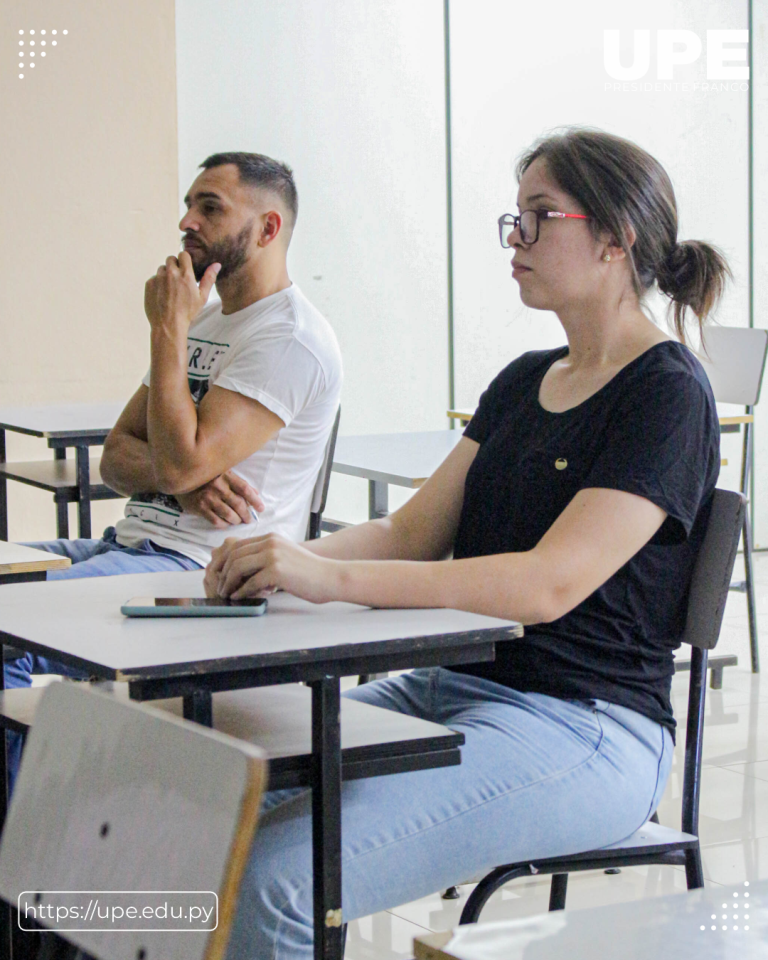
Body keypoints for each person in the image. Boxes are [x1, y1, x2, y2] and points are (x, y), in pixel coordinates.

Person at [205, 128, 726, 960]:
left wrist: (328, 582)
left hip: (586, 728)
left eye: (537, 218)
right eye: (513, 218)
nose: (514, 240)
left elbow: (545, 586)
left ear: (615, 237)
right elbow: (411, 533)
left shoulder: (668, 395)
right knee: (207, 807)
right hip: (455, 688)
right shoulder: (524, 379)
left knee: (281, 878)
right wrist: (283, 555)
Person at [5, 154, 342, 711]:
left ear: (268, 228)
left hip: (198, 573)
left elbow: (180, 460)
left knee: (9, 632)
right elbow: (115, 459)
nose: (187, 221)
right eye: (188, 205)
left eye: (209, 207)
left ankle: (31, 801)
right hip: (133, 547)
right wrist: (183, 482)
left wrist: (167, 330)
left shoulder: (289, 339)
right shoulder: (204, 321)